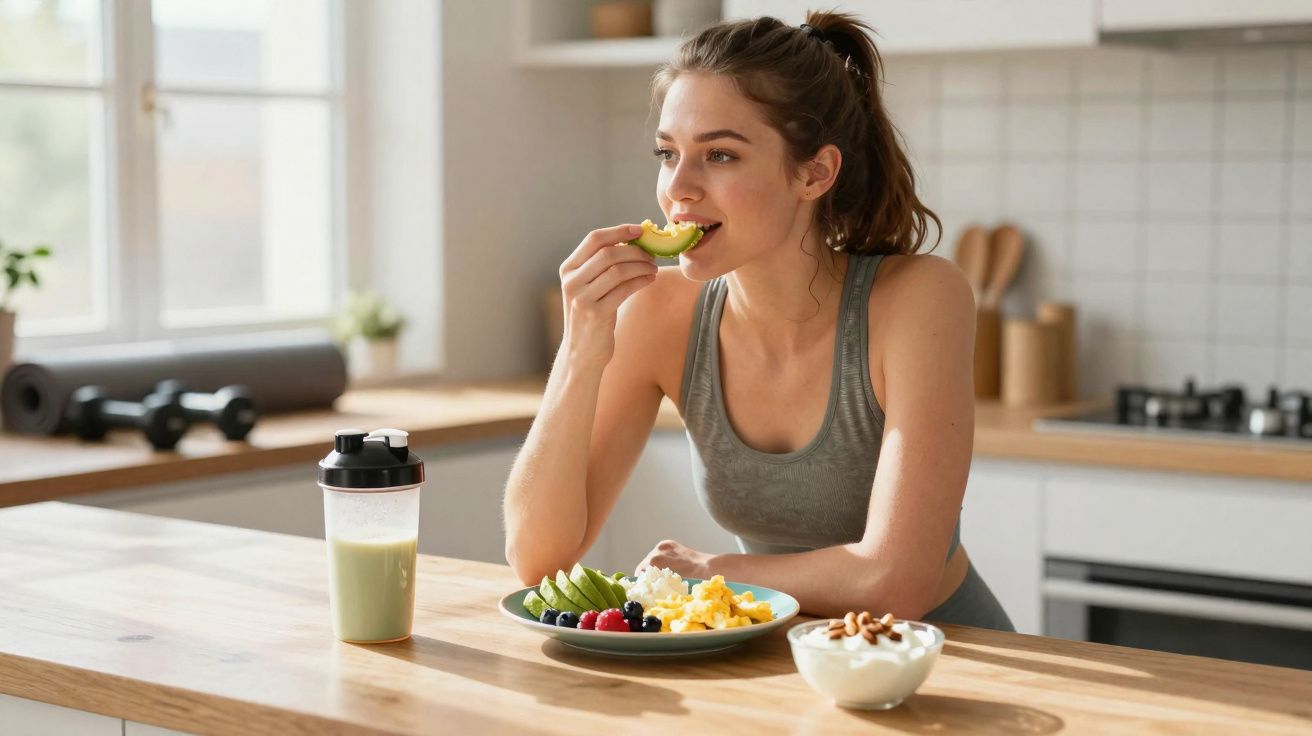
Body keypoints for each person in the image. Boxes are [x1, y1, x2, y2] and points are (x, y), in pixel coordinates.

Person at [503, 10, 1014, 630]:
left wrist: (709, 570)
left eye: (719, 155)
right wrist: (583, 345)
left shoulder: (919, 298)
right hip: (781, 659)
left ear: (815, 173)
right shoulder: (657, 313)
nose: (678, 189)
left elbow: (895, 580)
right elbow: (537, 558)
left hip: (945, 656)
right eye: (669, 154)